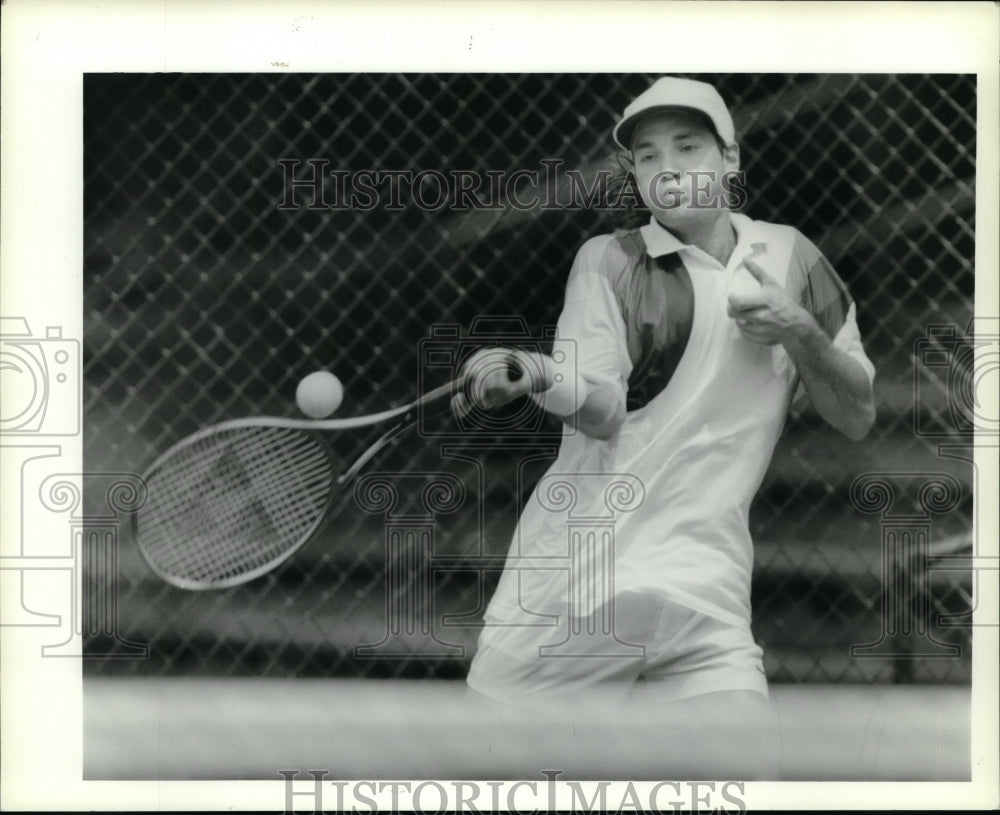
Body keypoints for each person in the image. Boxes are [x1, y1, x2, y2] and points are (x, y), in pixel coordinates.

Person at [454, 77, 876, 713]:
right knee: (485, 786)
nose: (668, 169)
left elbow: (857, 415)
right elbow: (601, 409)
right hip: (576, 589)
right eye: (648, 155)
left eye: (686, 147)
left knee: (746, 790)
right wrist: (537, 370)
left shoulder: (792, 258)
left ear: (730, 158)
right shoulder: (610, 262)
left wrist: (798, 329)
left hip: (702, 594)